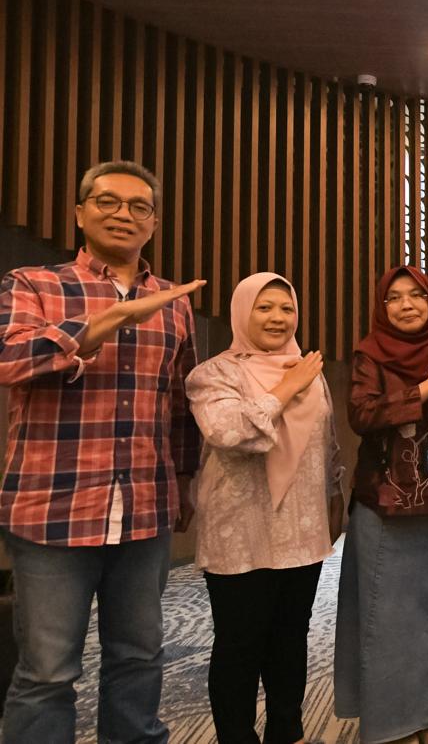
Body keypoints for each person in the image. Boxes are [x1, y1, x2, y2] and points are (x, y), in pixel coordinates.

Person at [0, 160, 203, 743]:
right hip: (51, 509)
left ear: (154, 223)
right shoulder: (33, 283)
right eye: (107, 202)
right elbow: (10, 360)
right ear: (80, 212)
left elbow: (179, 399)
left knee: (139, 656)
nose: (123, 215)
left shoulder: (174, 301)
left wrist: (183, 481)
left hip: (144, 507)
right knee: (47, 672)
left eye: (139, 207)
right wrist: (104, 322)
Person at [186, 272, 345, 744]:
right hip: (240, 532)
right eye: (265, 307)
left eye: (286, 308)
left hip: (302, 529)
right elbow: (228, 432)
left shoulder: (308, 370)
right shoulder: (214, 373)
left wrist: (334, 497)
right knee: (239, 645)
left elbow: (328, 444)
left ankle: (287, 731)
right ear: (242, 312)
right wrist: (285, 389)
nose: (278, 318)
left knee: (291, 639)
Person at [333, 266, 428, 744]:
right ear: (382, 308)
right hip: (384, 505)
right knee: (387, 616)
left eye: (416, 296)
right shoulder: (370, 355)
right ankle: (394, 721)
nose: (406, 306)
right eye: (394, 298)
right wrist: (426, 387)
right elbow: (362, 415)